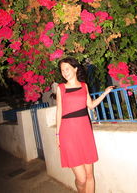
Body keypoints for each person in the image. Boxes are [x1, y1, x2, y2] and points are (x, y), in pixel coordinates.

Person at [56, 57, 114, 193]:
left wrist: (105, 93)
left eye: (67, 69)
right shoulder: (61, 88)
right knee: (81, 179)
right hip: (68, 133)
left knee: (89, 175)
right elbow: (59, 112)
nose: (65, 72)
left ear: (75, 69)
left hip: (84, 132)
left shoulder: (84, 86)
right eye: (62, 70)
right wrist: (57, 134)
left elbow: (91, 105)